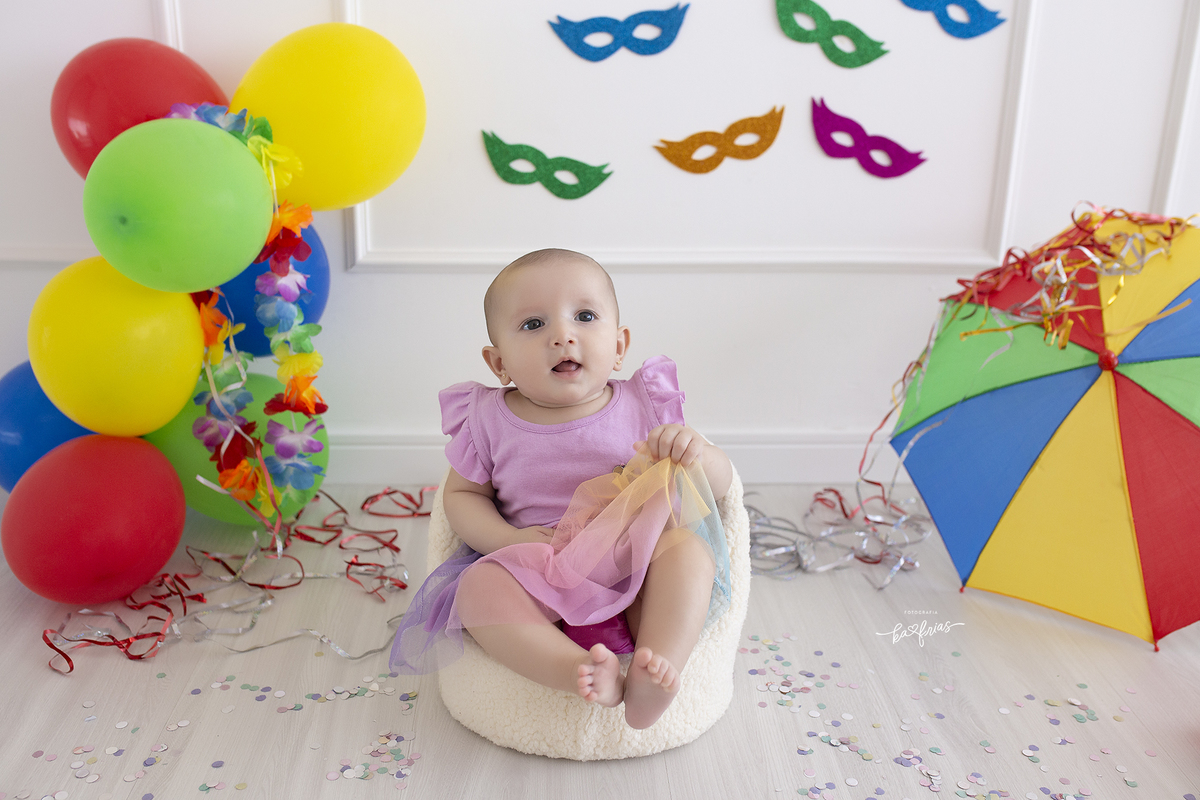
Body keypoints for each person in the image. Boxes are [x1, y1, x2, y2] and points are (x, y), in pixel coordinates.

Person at [390, 248, 733, 729]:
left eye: (585, 316)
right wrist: (507, 541)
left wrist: (693, 450)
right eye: (533, 325)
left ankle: (657, 666)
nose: (562, 335)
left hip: (634, 557)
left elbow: (715, 487)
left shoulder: (646, 403)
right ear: (498, 361)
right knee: (477, 590)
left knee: (688, 551)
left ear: (618, 345)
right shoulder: (485, 419)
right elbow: (462, 498)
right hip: (540, 565)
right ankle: (576, 669)